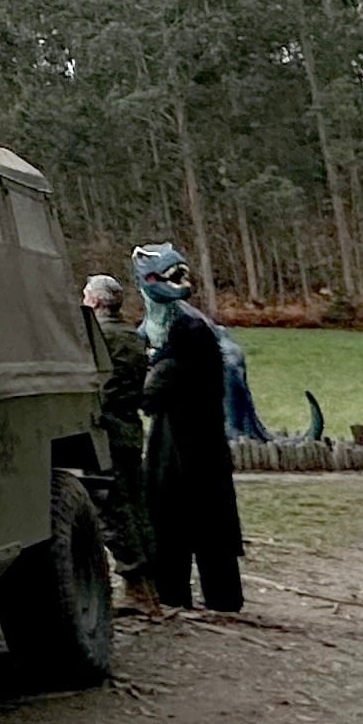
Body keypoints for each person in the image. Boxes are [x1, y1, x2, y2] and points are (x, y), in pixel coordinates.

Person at [129, 243, 244, 613]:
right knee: (187, 523)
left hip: (187, 442)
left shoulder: (189, 330)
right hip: (187, 438)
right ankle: (191, 595)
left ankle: (206, 598)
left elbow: (158, 388)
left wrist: (146, 385)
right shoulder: (164, 327)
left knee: (181, 521)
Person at [77, 274, 159, 597]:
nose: (83, 300)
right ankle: (150, 583)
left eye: (85, 295)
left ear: (96, 301)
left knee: (113, 509)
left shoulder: (95, 338)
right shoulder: (134, 336)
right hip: (129, 429)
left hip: (105, 431)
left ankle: (136, 586)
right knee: (137, 507)